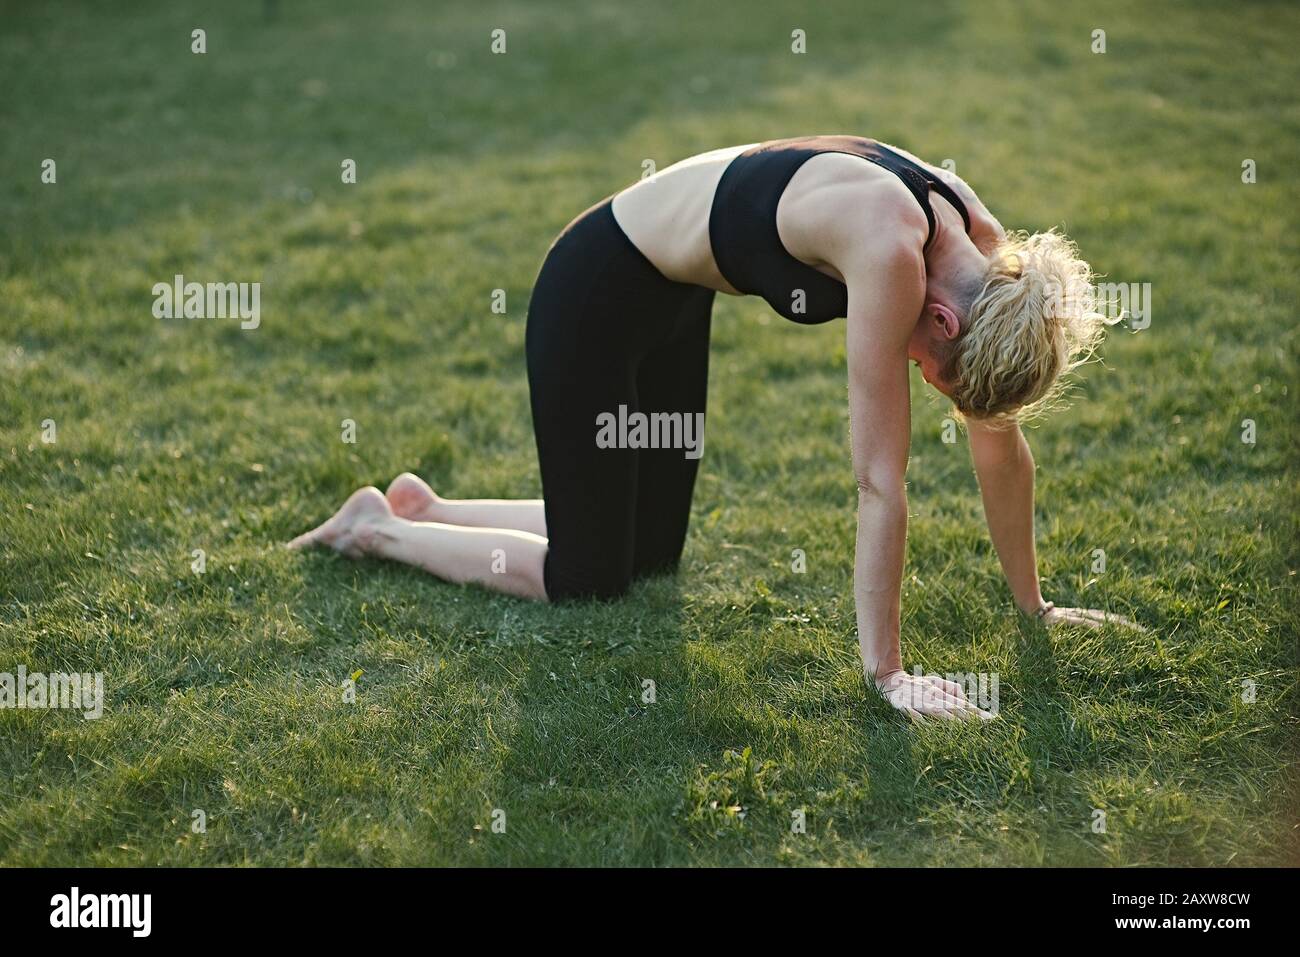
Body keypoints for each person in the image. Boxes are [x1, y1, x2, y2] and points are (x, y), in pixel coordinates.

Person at [289, 135, 1140, 720]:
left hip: (674, 303)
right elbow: (880, 479)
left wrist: (1035, 605)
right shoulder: (891, 247)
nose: (921, 375)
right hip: (594, 293)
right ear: (946, 326)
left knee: (649, 553)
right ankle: (379, 528)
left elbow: (999, 441)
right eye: (932, 371)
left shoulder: (985, 255)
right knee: (590, 577)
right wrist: (888, 675)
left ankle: (428, 509)